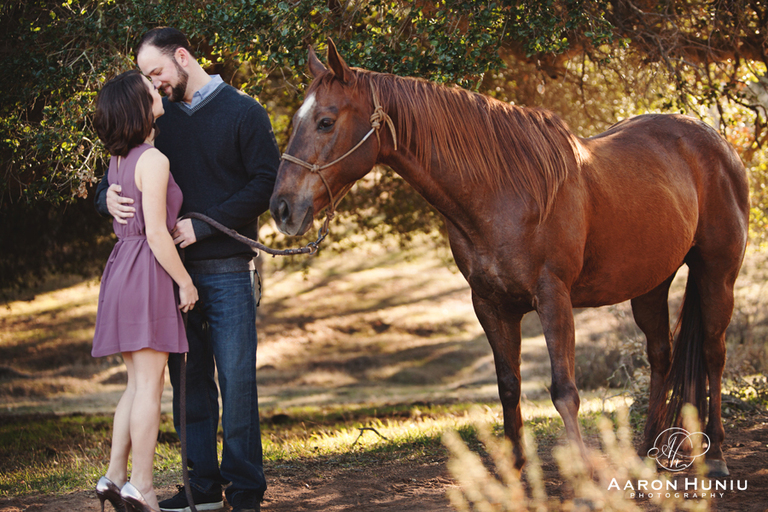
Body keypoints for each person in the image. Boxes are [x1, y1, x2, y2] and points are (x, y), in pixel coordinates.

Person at [94, 27, 279, 512]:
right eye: (146, 78)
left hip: (227, 267)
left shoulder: (244, 111)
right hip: (168, 276)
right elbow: (119, 168)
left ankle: (245, 490)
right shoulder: (156, 116)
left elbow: (266, 183)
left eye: (156, 72)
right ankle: (202, 489)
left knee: (237, 381)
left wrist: (205, 224)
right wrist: (104, 197)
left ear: (182, 57)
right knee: (188, 384)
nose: (153, 84)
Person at [92, 69, 198, 512]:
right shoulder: (153, 161)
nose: (156, 89)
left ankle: (115, 477)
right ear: (138, 106)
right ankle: (144, 486)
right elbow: (156, 233)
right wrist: (185, 281)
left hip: (122, 270)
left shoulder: (119, 160)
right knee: (150, 388)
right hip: (146, 273)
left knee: (136, 385)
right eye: (148, 88)